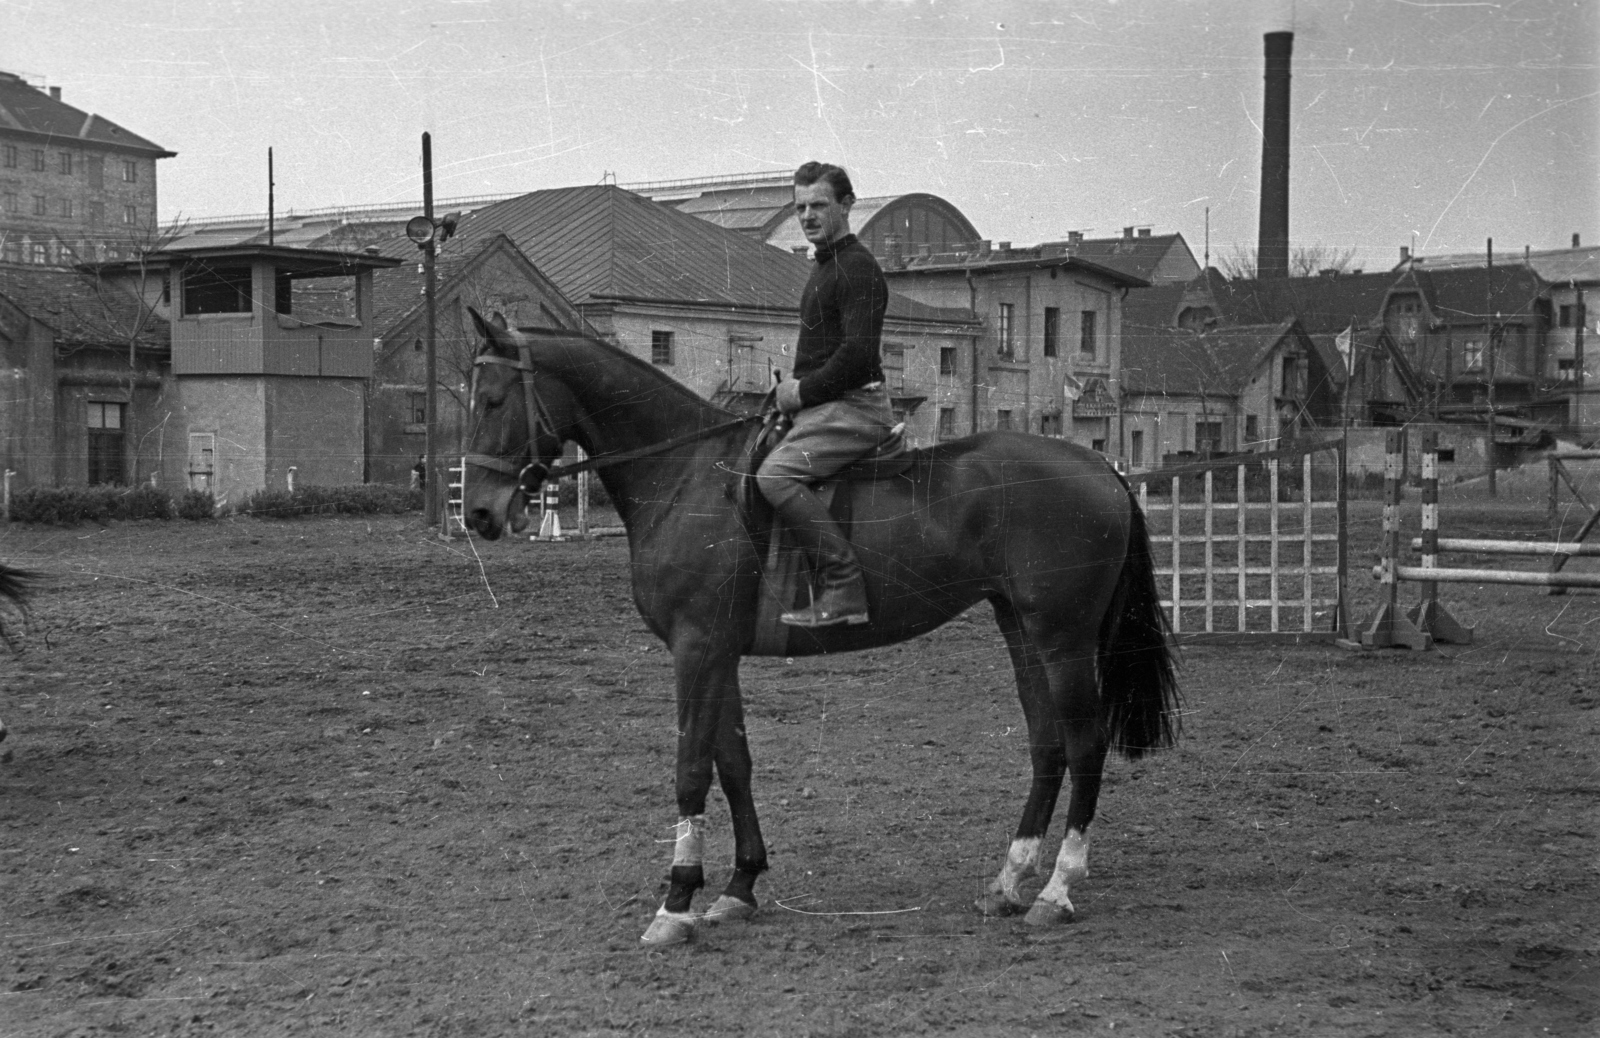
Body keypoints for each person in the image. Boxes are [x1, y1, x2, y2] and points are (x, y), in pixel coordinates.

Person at [756, 161, 896, 627]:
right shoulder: (825, 266)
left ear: (848, 205)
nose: (808, 216)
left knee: (775, 476)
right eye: (800, 208)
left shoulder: (857, 268)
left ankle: (843, 586)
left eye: (819, 205)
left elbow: (857, 357)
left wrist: (799, 392)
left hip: (856, 408)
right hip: (828, 404)